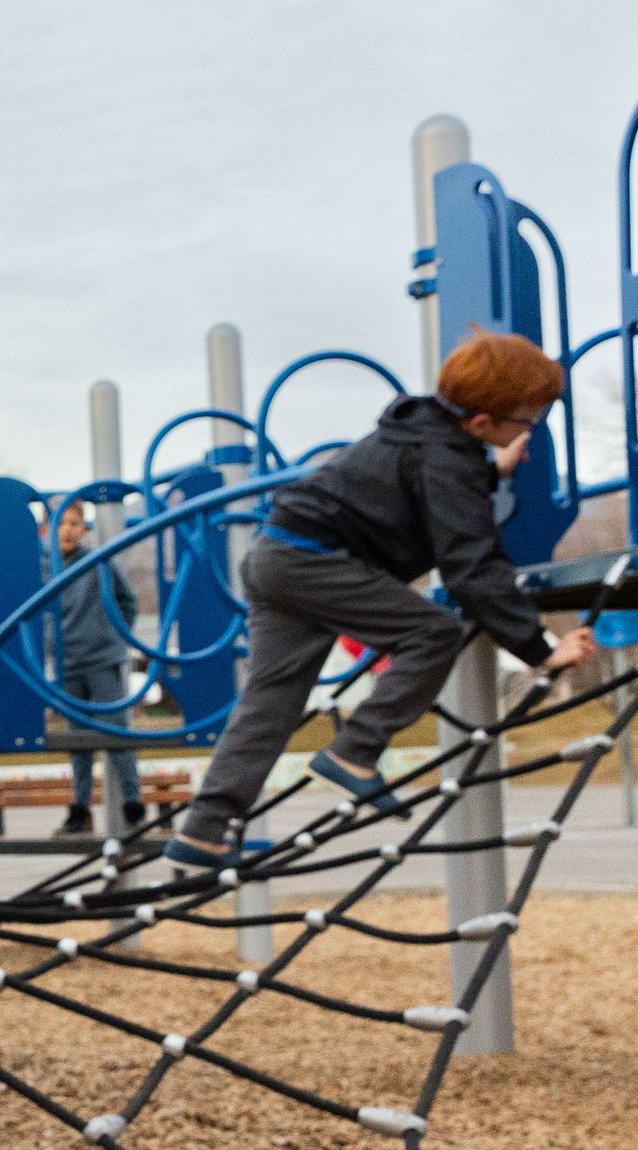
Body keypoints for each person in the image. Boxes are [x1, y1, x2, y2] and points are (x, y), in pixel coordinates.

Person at [163, 328, 597, 869]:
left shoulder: (422, 432)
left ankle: (202, 831)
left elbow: (430, 486)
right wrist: (539, 648)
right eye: (526, 420)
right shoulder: (448, 458)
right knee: (431, 632)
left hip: (276, 555)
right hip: (312, 562)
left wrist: (491, 471)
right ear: (482, 423)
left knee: (268, 704)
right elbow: (472, 563)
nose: (529, 429)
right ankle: (355, 751)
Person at [50, 501, 145, 837]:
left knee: (116, 731)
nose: (67, 530)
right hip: (67, 664)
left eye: (75, 523)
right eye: (61, 523)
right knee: (78, 741)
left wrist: (116, 637)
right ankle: (80, 809)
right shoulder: (44, 569)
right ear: (47, 530)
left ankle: (133, 805)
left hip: (102, 659)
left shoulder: (97, 564)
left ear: (85, 529)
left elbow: (127, 601)